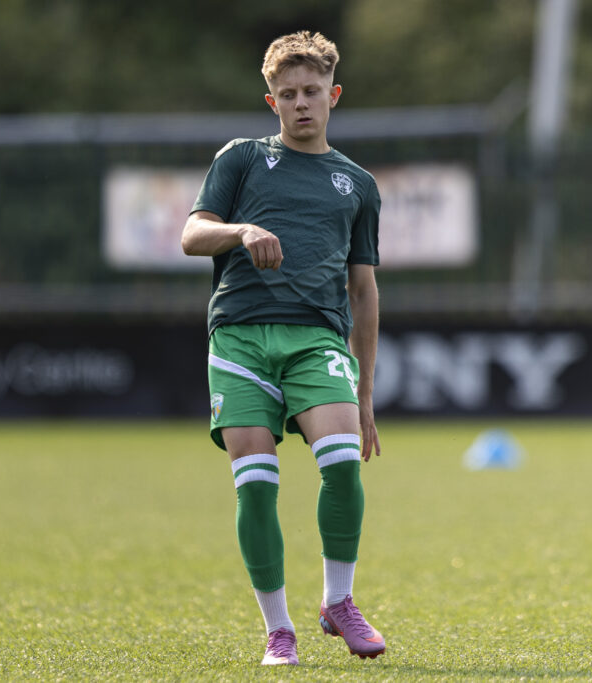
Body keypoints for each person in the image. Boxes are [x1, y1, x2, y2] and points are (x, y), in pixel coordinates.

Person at [180, 30, 384, 666]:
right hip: (239, 337)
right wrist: (241, 230)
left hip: (316, 339)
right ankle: (279, 629)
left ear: (334, 95)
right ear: (271, 101)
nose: (301, 103)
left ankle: (338, 602)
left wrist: (366, 391)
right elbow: (192, 235)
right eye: (287, 94)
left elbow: (364, 289)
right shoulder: (241, 159)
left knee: (344, 465)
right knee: (257, 485)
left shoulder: (357, 184)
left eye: (312, 92)